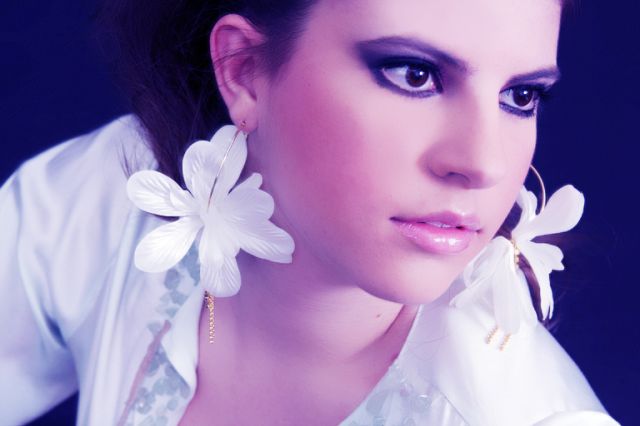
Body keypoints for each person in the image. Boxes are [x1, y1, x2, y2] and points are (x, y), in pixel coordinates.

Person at [0, 0, 622, 424]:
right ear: (242, 70)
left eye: (521, 96)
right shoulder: (124, 191)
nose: (483, 163)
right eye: (414, 74)